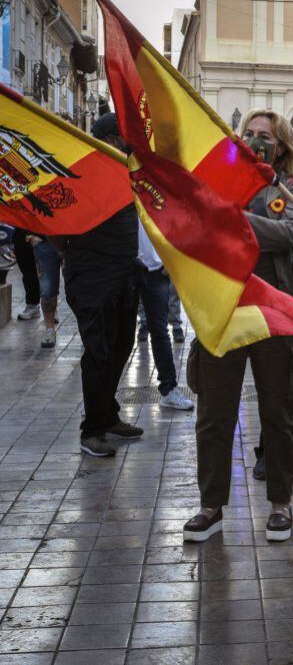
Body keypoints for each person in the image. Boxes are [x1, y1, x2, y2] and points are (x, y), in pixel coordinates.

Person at [183, 109, 293, 544]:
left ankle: (280, 503)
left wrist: (232, 220)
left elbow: (290, 233)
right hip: (223, 308)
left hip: (272, 310)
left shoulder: (291, 186)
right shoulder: (217, 184)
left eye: (267, 137)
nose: (257, 142)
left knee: (278, 411)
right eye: (250, 134)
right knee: (214, 413)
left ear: (282, 145)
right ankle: (210, 505)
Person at [55, 113, 143, 457]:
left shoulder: (125, 173)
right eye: (124, 137)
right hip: (92, 276)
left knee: (122, 344)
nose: (129, 144)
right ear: (109, 139)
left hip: (124, 272)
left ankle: (108, 416)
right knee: (99, 350)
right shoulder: (80, 173)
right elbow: (56, 225)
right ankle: (91, 431)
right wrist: (74, 256)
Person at [134, 219, 194, 411]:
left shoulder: (153, 193)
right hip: (127, 269)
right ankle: (103, 397)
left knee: (159, 330)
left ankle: (169, 389)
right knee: (119, 334)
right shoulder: (118, 195)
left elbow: (175, 223)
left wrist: (170, 260)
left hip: (156, 271)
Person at [27, 235, 61, 348]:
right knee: (47, 288)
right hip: (44, 239)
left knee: (78, 288)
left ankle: (86, 330)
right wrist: (31, 236)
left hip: (75, 239)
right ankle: (49, 329)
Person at [12, 228, 41, 321]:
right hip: (21, 230)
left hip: (37, 229)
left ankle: (50, 306)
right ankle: (33, 305)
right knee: (28, 272)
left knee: (46, 270)